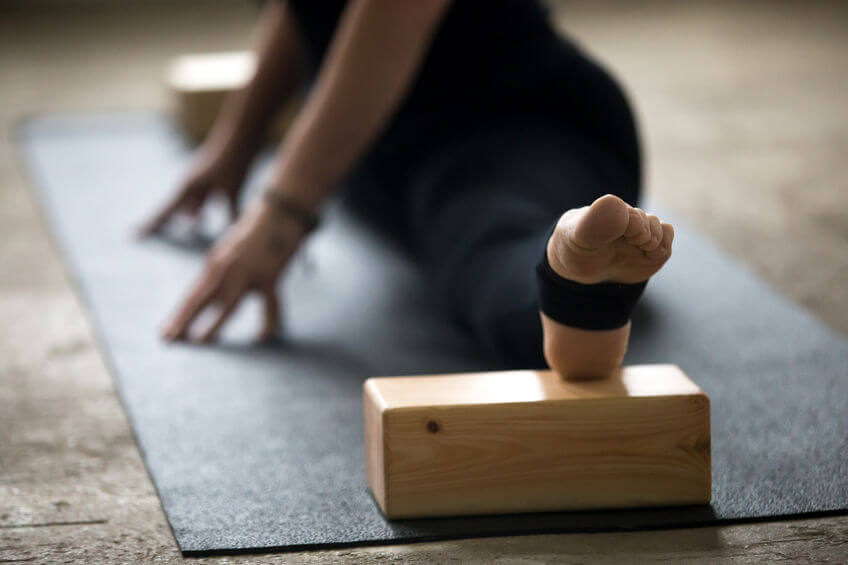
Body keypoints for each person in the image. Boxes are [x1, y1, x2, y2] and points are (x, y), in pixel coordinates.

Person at [140, 0, 674, 379]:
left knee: (484, 238)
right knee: (457, 224)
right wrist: (235, 142)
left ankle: (580, 285)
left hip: (513, 121)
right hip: (395, 154)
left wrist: (282, 209)